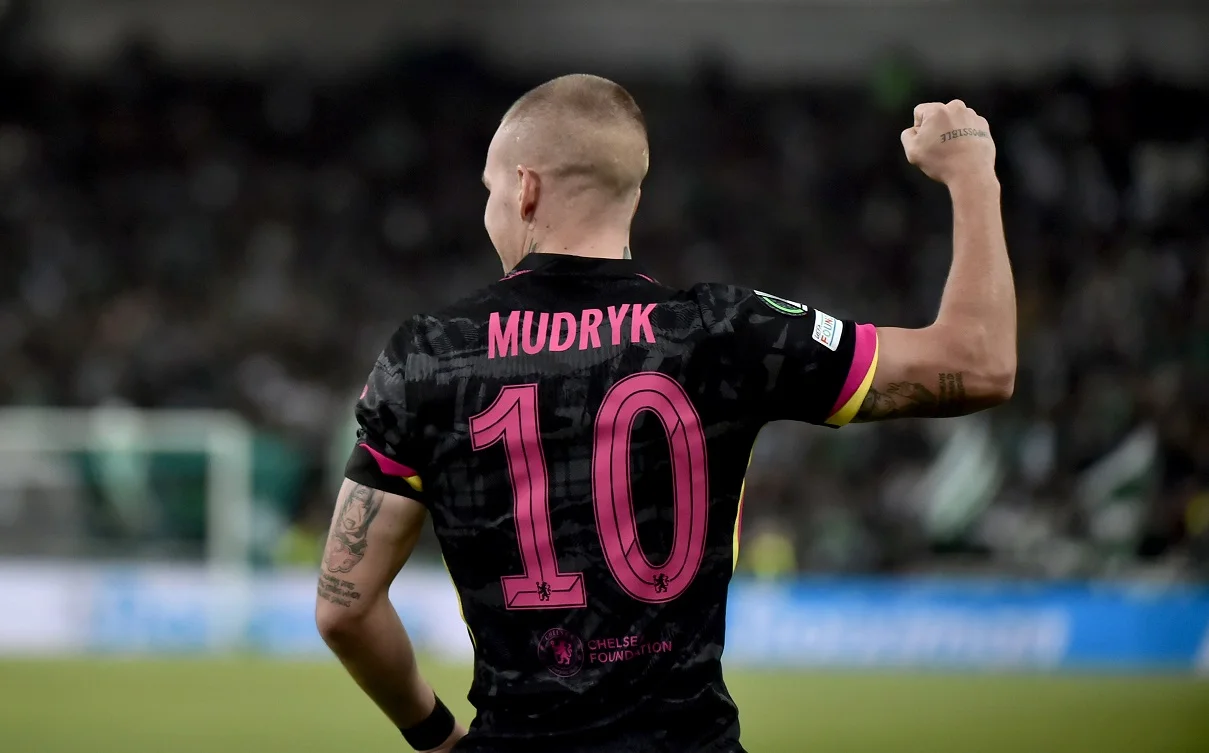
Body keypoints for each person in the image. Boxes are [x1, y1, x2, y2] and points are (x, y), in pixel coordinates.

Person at [314, 74, 1015, 753]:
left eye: (490, 189)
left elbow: (345, 608)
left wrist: (437, 736)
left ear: (524, 189)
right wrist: (972, 174)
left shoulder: (429, 356)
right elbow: (979, 363)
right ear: (633, 193)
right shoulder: (724, 332)